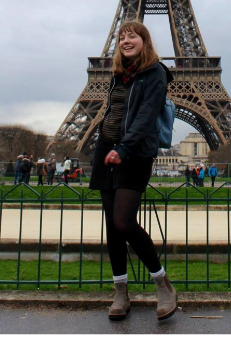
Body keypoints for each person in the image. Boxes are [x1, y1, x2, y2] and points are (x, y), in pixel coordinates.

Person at [89, 20, 177, 322]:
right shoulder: (117, 75)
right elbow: (113, 112)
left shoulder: (155, 74)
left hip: (134, 153)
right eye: (122, 36)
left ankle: (162, 283)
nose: (126, 40)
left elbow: (146, 115)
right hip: (106, 150)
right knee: (112, 227)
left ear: (144, 40)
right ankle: (120, 292)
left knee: (124, 222)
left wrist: (123, 149)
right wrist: (107, 144)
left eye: (133, 36)